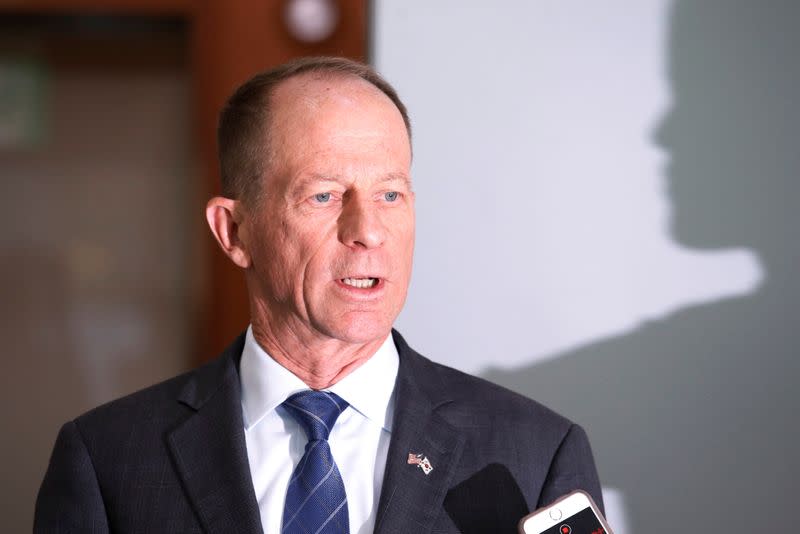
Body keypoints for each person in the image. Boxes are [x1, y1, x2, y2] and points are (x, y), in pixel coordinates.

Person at [34, 57, 602, 534]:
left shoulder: (536, 453)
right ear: (234, 233)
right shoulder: (107, 459)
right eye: (325, 196)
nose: (369, 230)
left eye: (390, 194)